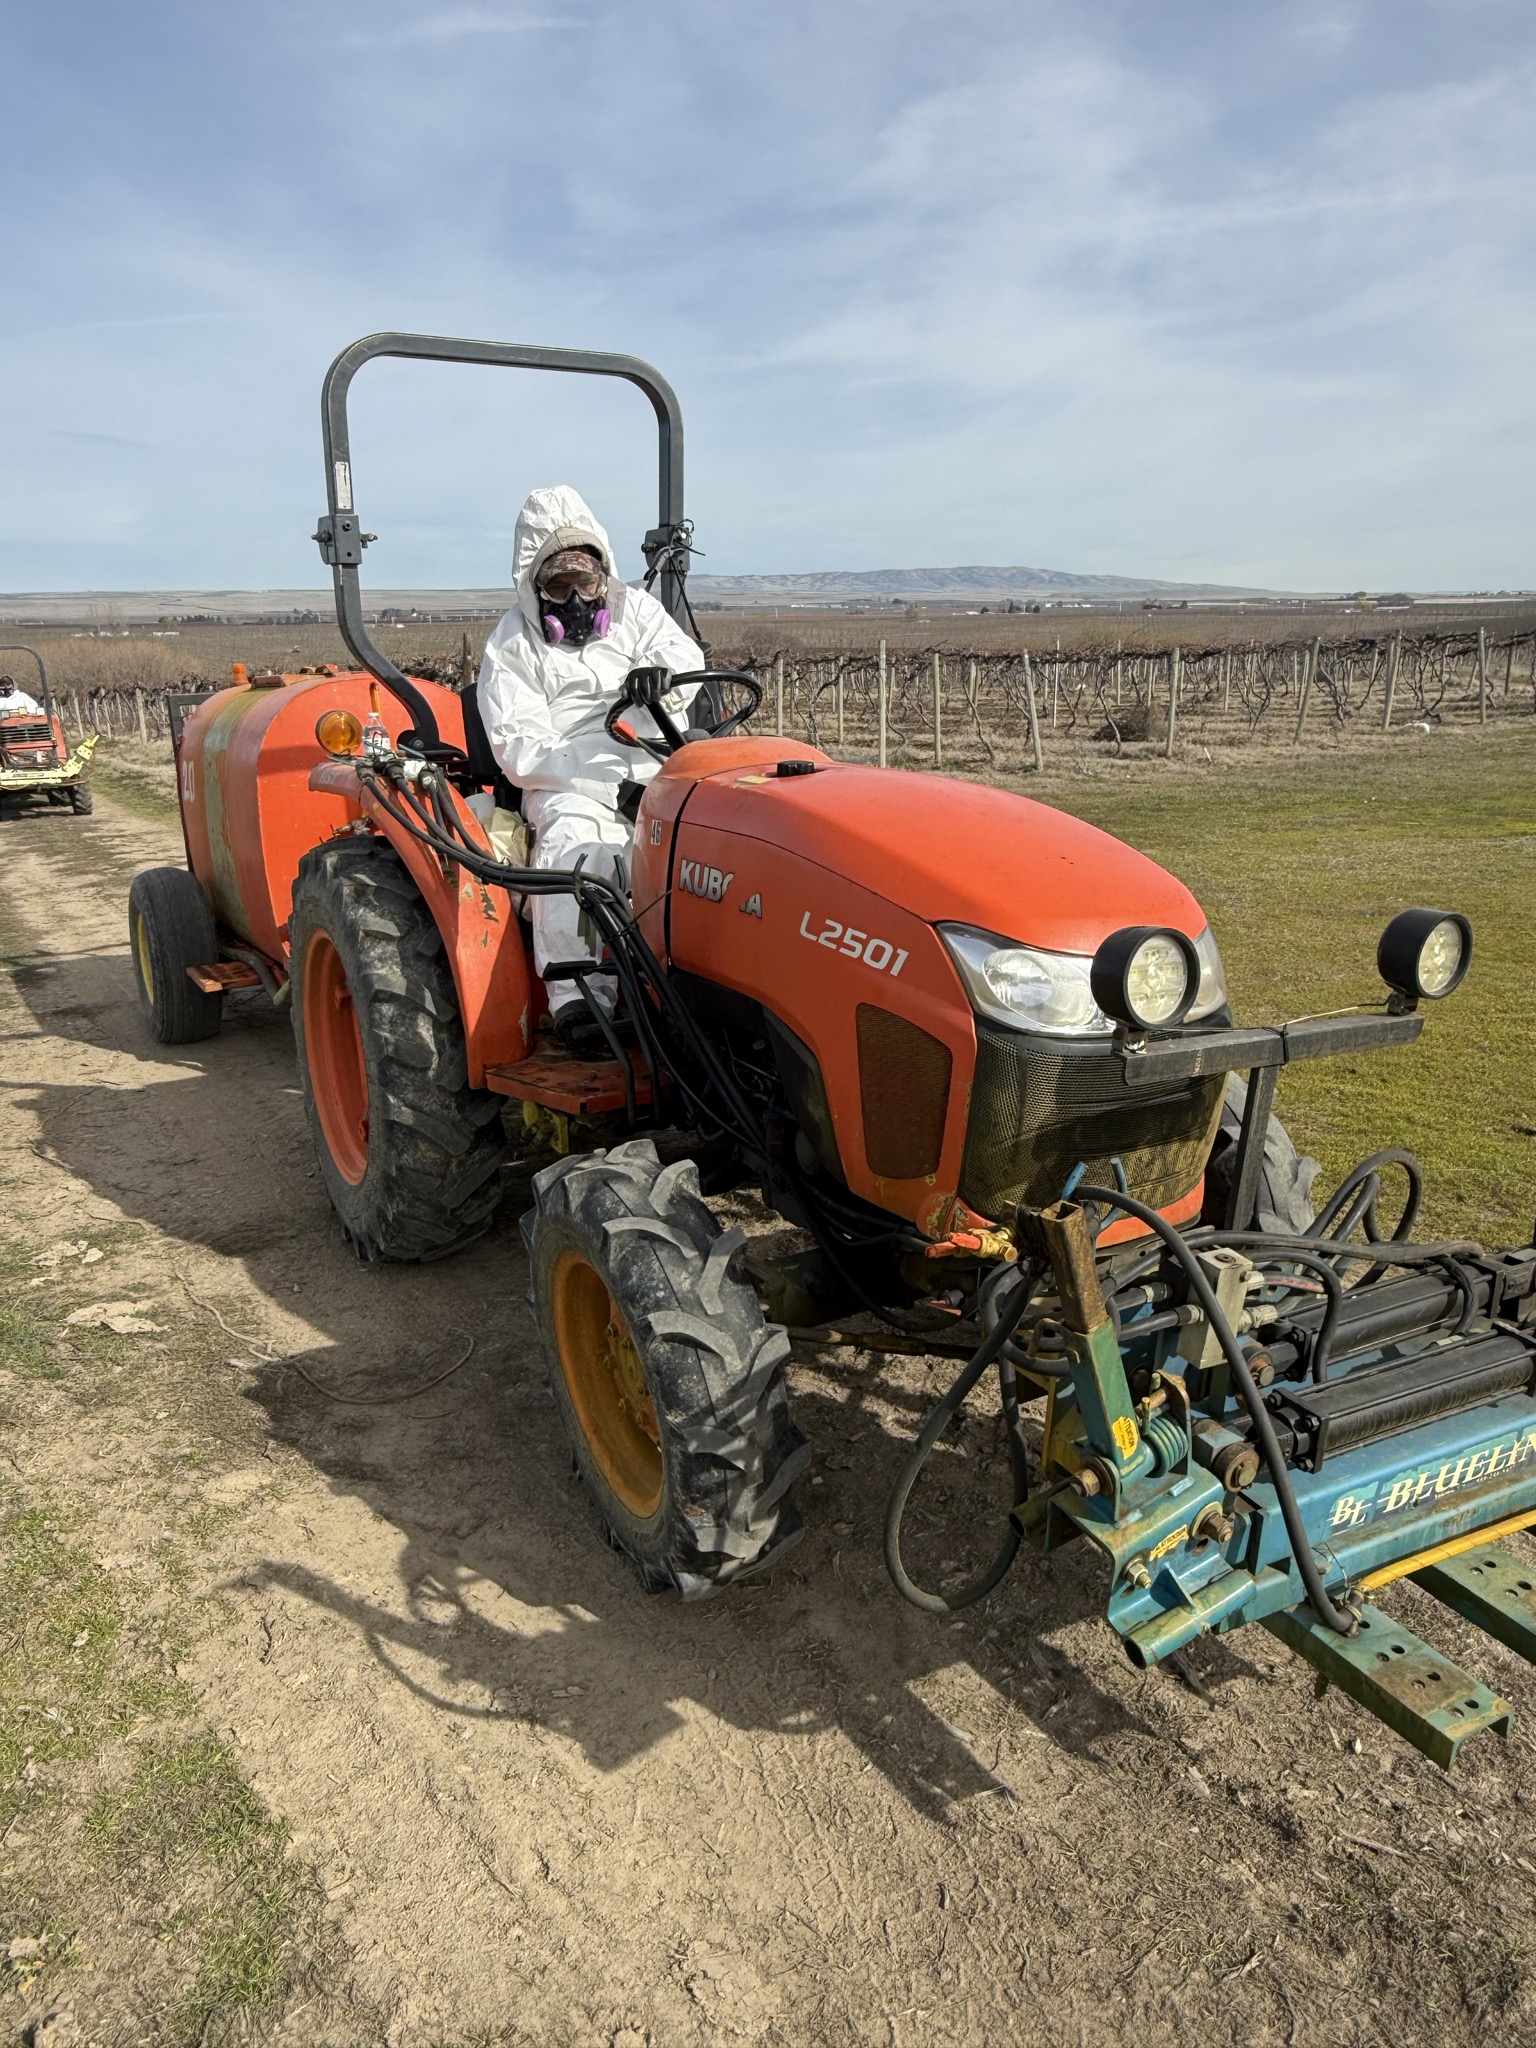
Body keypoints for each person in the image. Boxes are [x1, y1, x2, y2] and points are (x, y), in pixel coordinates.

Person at [477, 485, 704, 1051]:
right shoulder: (512, 644)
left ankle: (702, 975)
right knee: (583, 848)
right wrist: (608, 785)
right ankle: (580, 995)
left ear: (604, 577)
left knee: (716, 839)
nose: (576, 599)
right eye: (559, 586)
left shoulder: (638, 612)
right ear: (536, 587)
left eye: (585, 583)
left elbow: (685, 660)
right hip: (563, 778)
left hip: (654, 755)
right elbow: (520, 746)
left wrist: (658, 674)